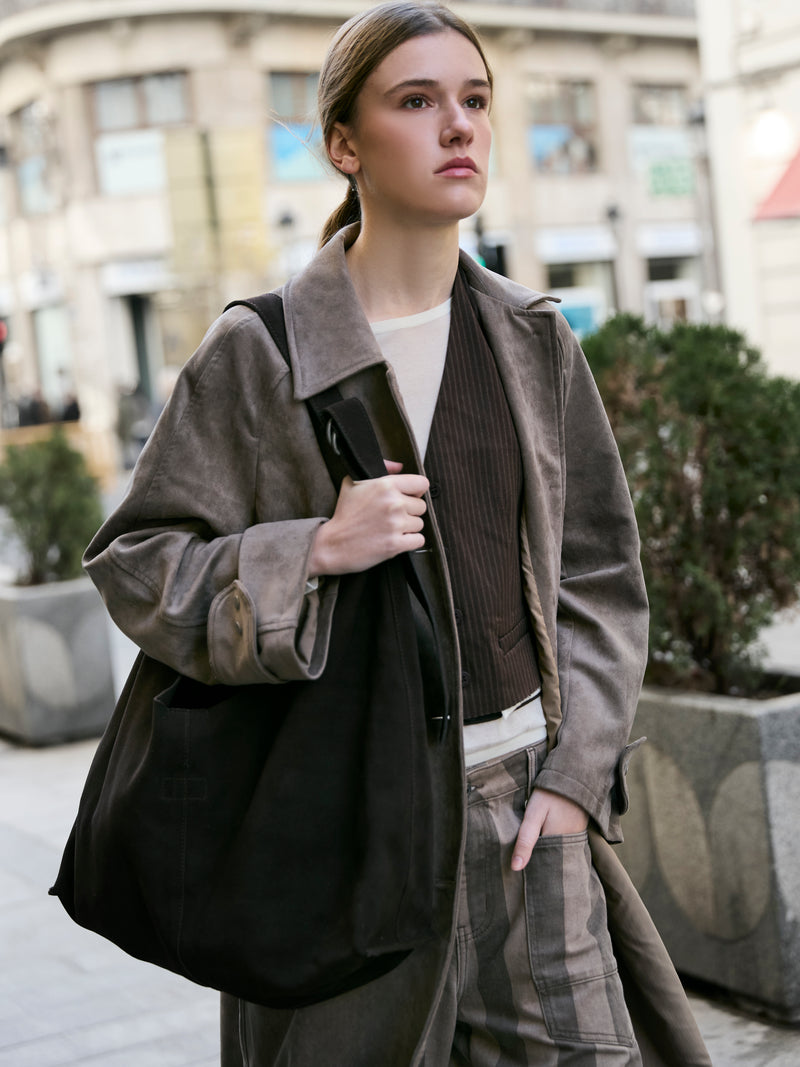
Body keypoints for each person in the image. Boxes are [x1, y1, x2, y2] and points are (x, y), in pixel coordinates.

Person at [83, 3, 711, 1065]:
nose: (457, 125)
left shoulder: (533, 339)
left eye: (474, 99)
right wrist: (311, 551)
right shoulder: (259, 351)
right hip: (341, 831)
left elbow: (599, 574)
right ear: (343, 143)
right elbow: (137, 563)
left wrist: (572, 781)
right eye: (415, 101)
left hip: (529, 820)